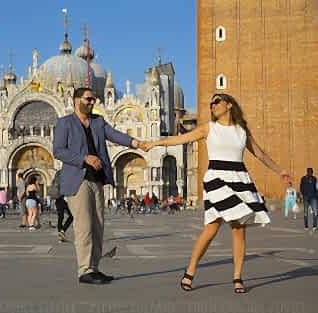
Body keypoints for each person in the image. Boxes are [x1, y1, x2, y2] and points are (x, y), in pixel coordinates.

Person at [143, 93, 289, 293]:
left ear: (228, 105)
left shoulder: (241, 131)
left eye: (216, 101)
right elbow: (180, 139)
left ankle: (237, 277)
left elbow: (260, 153)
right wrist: (154, 144)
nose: (212, 105)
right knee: (211, 228)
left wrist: (280, 171)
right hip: (217, 180)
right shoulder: (208, 128)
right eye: (211, 103)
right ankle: (190, 270)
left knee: (238, 230)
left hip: (239, 179)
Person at [53, 87, 146, 285]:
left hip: (97, 179)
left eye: (94, 99)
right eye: (88, 99)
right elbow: (58, 151)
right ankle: (84, 270)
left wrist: (135, 142)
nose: (92, 102)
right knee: (84, 225)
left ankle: (94, 267)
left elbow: (114, 134)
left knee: (98, 225)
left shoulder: (98, 122)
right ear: (77, 100)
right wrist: (84, 158)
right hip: (78, 180)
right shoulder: (65, 123)